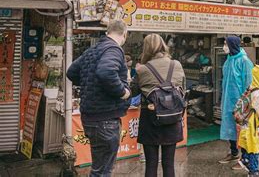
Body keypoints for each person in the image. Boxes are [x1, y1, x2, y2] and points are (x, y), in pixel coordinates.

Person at [67, 20, 130, 177]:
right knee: (103, 171)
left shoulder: (92, 50)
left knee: (98, 168)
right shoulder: (114, 49)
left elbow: (72, 72)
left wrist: (89, 81)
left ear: (107, 31)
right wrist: (123, 92)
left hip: (90, 117)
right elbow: (106, 72)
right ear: (125, 34)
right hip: (105, 118)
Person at [131, 34, 185, 177]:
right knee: (169, 164)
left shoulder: (142, 69)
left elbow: (132, 92)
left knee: (151, 164)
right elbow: (182, 91)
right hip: (172, 118)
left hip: (150, 120)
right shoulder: (177, 65)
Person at [219, 36, 253, 167]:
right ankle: (234, 153)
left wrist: (245, 103)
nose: (224, 46)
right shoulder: (228, 60)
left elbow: (249, 84)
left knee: (242, 130)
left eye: (225, 44)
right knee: (230, 127)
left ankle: (245, 158)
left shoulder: (244, 61)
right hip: (228, 100)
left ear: (232, 45)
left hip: (240, 102)